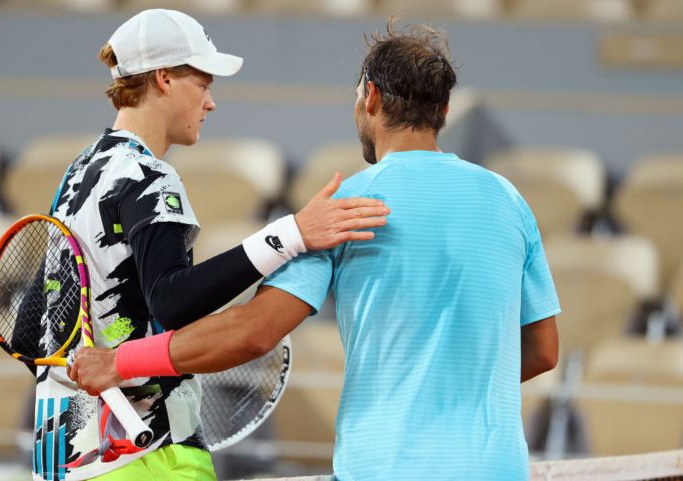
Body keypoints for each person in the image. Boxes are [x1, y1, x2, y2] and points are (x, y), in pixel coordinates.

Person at [70, 19, 560, 481]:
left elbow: (253, 333)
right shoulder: (509, 200)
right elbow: (543, 351)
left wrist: (121, 362)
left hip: (384, 466)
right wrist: (458, 382)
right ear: (443, 110)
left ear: (370, 98)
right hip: (498, 468)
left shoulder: (345, 208)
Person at [36, 9, 389, 481]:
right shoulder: (149, 175)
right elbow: (173, 300)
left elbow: (30, 328)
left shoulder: (78, 174)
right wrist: (291, 235)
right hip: (150, 457)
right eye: (203, 85)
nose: (211, 103)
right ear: (163, 79)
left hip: (63, 459)